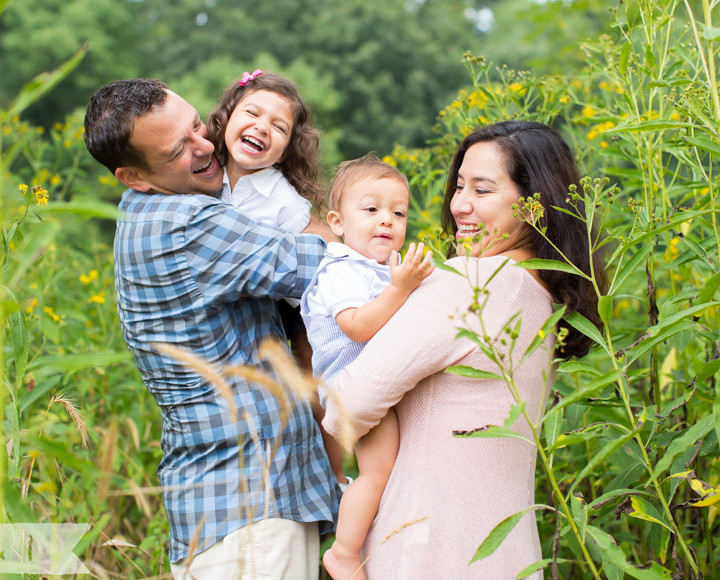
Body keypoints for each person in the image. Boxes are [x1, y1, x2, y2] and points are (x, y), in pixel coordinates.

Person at [322, 121, 604, 579]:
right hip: (509, 556)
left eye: (483, 190)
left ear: (535, 204)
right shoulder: (548, 300)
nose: (460, 205)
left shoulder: (470, 282)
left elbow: (347, 405)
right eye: (459, 186)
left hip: (428, 550)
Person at [83, 78, 340, 580]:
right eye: (180, 147)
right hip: (250, 509)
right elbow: (331, 269)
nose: (205, 146)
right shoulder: (188, 224)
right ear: (134, 176)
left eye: (198, 124)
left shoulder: (161, 204)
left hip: (232, 508)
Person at [300, 155, 434, 580]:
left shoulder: (378, 270)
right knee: (376, 473)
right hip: (352, 387)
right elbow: (356, 326)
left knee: (395, 470)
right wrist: (401, 289)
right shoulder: (340, 269)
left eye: (398, 213)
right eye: (372, 209)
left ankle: (380, 542)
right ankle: (344, 551)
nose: (386, 221)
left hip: (377, 383)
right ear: (337, 222)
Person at [207, 69, 330, 373]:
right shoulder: (205, 173)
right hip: (225, 311)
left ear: (284, 152)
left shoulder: (284, 199)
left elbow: (314, 257)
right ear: (226, 119)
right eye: (252, 113)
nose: (262, 127)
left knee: (313, 372)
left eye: (278, 127)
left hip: (291, 307)